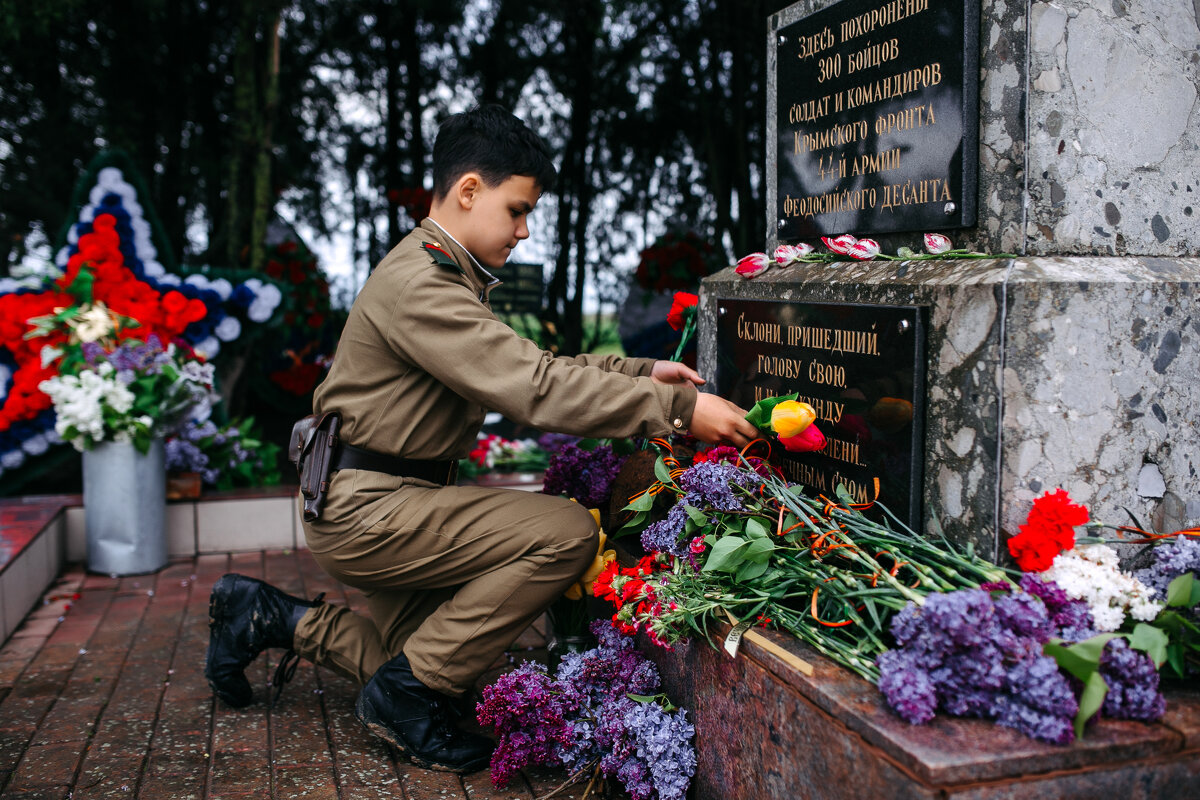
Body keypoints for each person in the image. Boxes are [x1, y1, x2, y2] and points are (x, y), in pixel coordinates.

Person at [205, 104, 757, 774]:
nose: (524, 231)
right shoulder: (424, 283)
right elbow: (532, 388)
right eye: (517, 210)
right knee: (564, 534)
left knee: (424, 665)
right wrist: (678, 409)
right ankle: (405, 697)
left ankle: (269, 616)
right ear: (469, 190)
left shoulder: (441, 272)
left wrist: (638, 372)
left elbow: (524, 366)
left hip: (379, 499)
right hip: (370, 512)